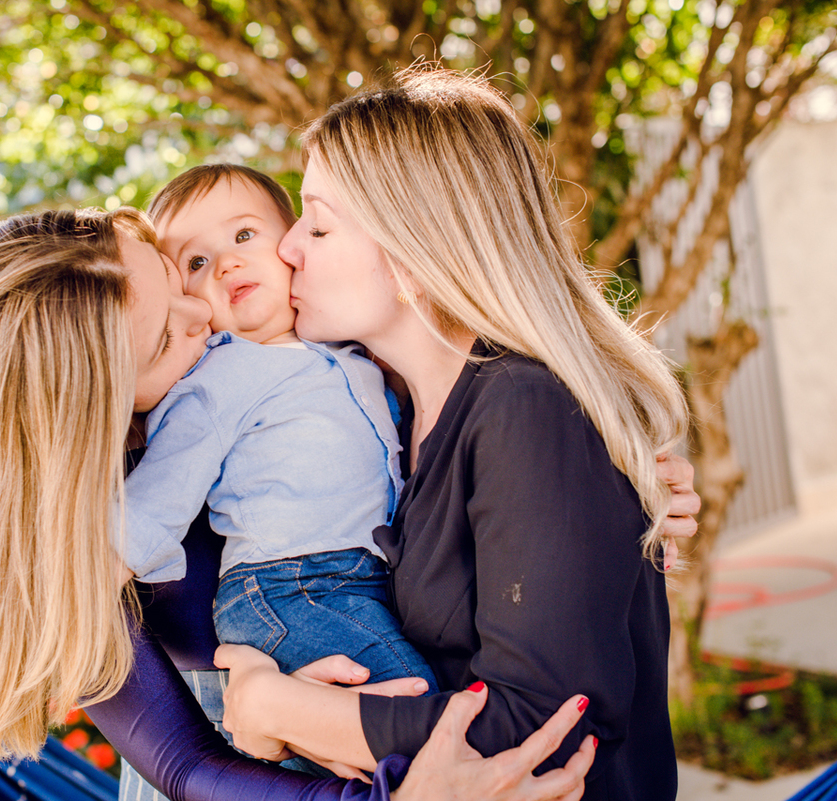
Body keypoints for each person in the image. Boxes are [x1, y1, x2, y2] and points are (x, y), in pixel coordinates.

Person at [0, 205, 603, 801]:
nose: (203, 314)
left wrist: (591, 469)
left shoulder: (260, 358)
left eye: (171, 273)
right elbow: (187, 765)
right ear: (90, 408)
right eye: (165, 339)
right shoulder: (87, 539)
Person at [212, 65, 691, 801]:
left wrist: (276, 705)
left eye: (318, 222)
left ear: (415, 245)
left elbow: (539, 729)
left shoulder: (527, 407)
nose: (288, 249)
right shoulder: (396, 414)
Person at [121, 164, 437, 702]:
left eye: (244, 235)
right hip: (290, 588)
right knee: (419, 708)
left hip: (361, 580)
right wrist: (67, 626)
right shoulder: (217, 380)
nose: (226, 263)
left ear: (294, 244)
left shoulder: (345, 350)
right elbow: (152, 507)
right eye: (196, 262)